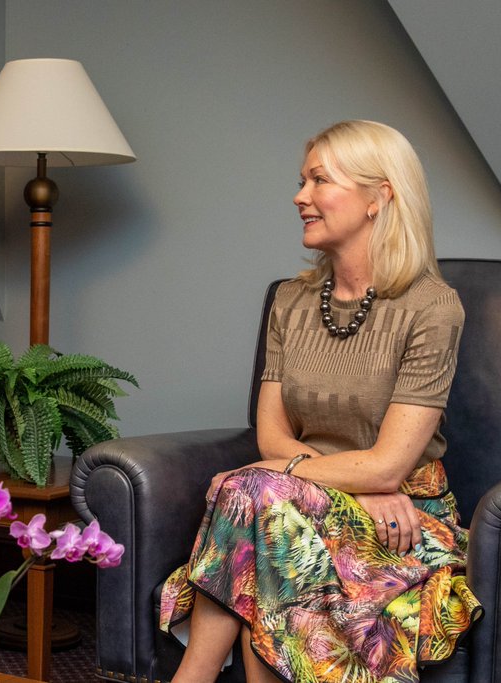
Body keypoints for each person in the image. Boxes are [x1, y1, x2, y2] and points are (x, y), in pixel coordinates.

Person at [159, 120, 481, 683]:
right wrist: (339, 479)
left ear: (378, 197)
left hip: (404, 518)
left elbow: (390, 465)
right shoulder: (292, 300)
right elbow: (272, 438)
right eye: (301, 181)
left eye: (318, 180)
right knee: (263, 501)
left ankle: (194, 675)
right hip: (302, 502)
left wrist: (351, 479)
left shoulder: (433, 307)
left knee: (254, 492)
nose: (299, 196)